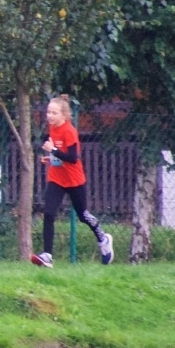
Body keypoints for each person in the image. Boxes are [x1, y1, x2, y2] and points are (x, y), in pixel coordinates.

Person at [32, 94, 113, 267]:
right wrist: (51, 159)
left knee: (83, 215)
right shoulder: (52, 128)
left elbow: (72, 158)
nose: (50, 116)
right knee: (49, 213)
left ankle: (103, 238)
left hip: (74, 180)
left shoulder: (69, 131)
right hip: (57, 179)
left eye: (54, 113)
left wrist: (52, 150)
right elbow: (59, 156)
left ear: (64, 115)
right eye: (48, 112)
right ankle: (47, 255)